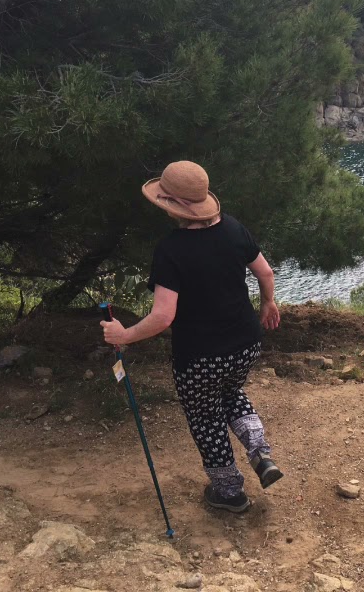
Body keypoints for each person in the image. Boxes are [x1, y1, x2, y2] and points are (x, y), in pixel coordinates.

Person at [101, 160, 282, 513]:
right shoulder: (233, 228)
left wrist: (124, 334)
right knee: (231, 393)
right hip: (245, 341)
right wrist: (269, 303)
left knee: (205, 417)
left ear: (173, 207)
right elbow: (265, 271)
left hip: (200, 355)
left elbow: (163, 316)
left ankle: (230, 493)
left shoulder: (172, 249)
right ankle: (260, 454)